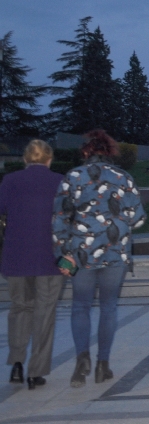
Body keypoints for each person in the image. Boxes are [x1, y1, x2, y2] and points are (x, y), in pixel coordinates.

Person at [53, 130, 146, 388]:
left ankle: (81, 359)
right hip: (114, 253)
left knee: (80, 306)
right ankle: (103, 365)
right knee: (109, 307)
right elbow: (138, 218)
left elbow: (60, 218)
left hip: (80, 254)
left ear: (86, 151)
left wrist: (63, 254)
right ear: (110, 152)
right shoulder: (123, 178)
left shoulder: (72, 177)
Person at [0, 140, 65, 389]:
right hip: (48, 258)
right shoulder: (59, 181)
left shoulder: (10, 181)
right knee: (44, 313)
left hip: (15, 258)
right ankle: (35, 372)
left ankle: (16, 362)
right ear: (49, 159)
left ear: (26, 159)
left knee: (19, 309)